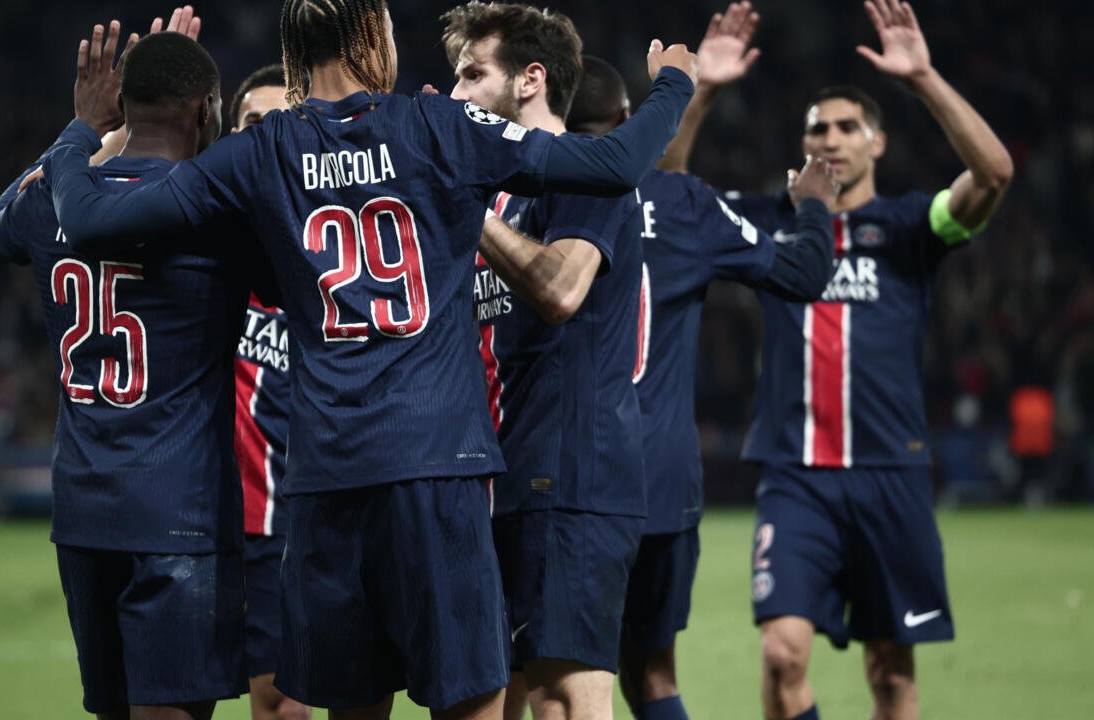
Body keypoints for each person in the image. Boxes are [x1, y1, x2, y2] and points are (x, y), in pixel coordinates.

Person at [39, 1, 699, 717]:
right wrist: (673, 86)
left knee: (353, 708)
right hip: (436, 466)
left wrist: (84, 132)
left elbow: (90, 219)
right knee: (472, 705)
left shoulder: (263, 149)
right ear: (369, 37)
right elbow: (614, 161)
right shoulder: (436, 124)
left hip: (328, 478)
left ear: (293, 51)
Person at [661, 2, 1014, 718]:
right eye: (818, 128)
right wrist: (702, 91)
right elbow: (663, 195)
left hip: (891, 470)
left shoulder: (914, 225)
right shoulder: (771, 223)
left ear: (876, 143)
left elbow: (995, 172)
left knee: (890, 675)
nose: (831, 138)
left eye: (847, 126)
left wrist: (923, 78)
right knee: (782, 653)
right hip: (797, 477)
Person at [0, 25, 262, 720]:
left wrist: (81, 131)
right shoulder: (213, 207)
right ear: (203, 109)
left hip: (83, 513)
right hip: (179, 516)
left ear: (121, 107)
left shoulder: (54, 198)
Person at [566, 52, 838, 720]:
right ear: (628, 120)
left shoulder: (528, 195)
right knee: (652, 673)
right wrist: (814, 211)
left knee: (559, 681)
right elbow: (804, 274)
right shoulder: (682, 203)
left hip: (564, 478)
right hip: (660, 480)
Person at [438, 5, 641, 720]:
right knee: (475, 699)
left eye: (472, 75)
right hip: (491, 477)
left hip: (569, 477)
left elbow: (559, 288)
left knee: (563, 701)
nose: (457, 94)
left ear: (530, 80)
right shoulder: (496, 192)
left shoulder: (588, 173)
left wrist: (464, 205)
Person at [227, 63, 313, 720]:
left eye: (276, 123)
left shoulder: (337, 253)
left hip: (289, 521)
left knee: (281, 699)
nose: (262, 138)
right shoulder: (199, 244)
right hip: (202, 524)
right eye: (249, 124)